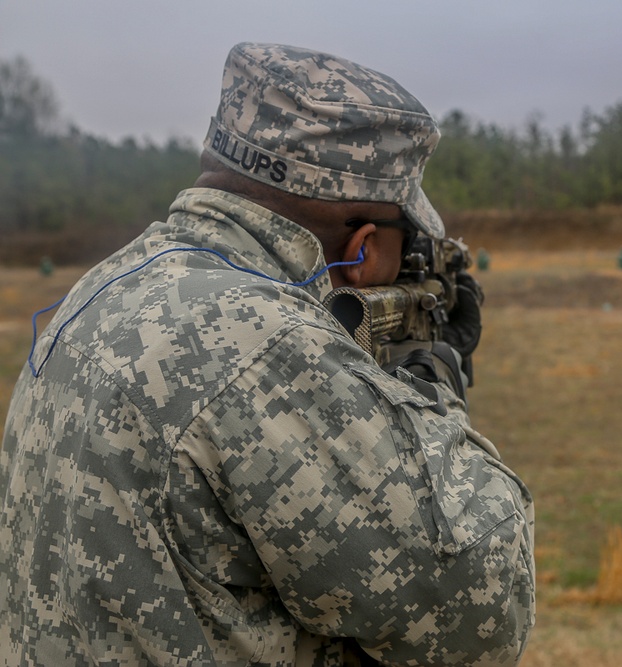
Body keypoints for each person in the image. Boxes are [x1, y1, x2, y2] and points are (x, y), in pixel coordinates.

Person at [0, 43, 534, 666]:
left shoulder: (98, 292)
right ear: (363, 249)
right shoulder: (270, 346)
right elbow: (485, 609)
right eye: (401, 242)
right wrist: (429, 393)